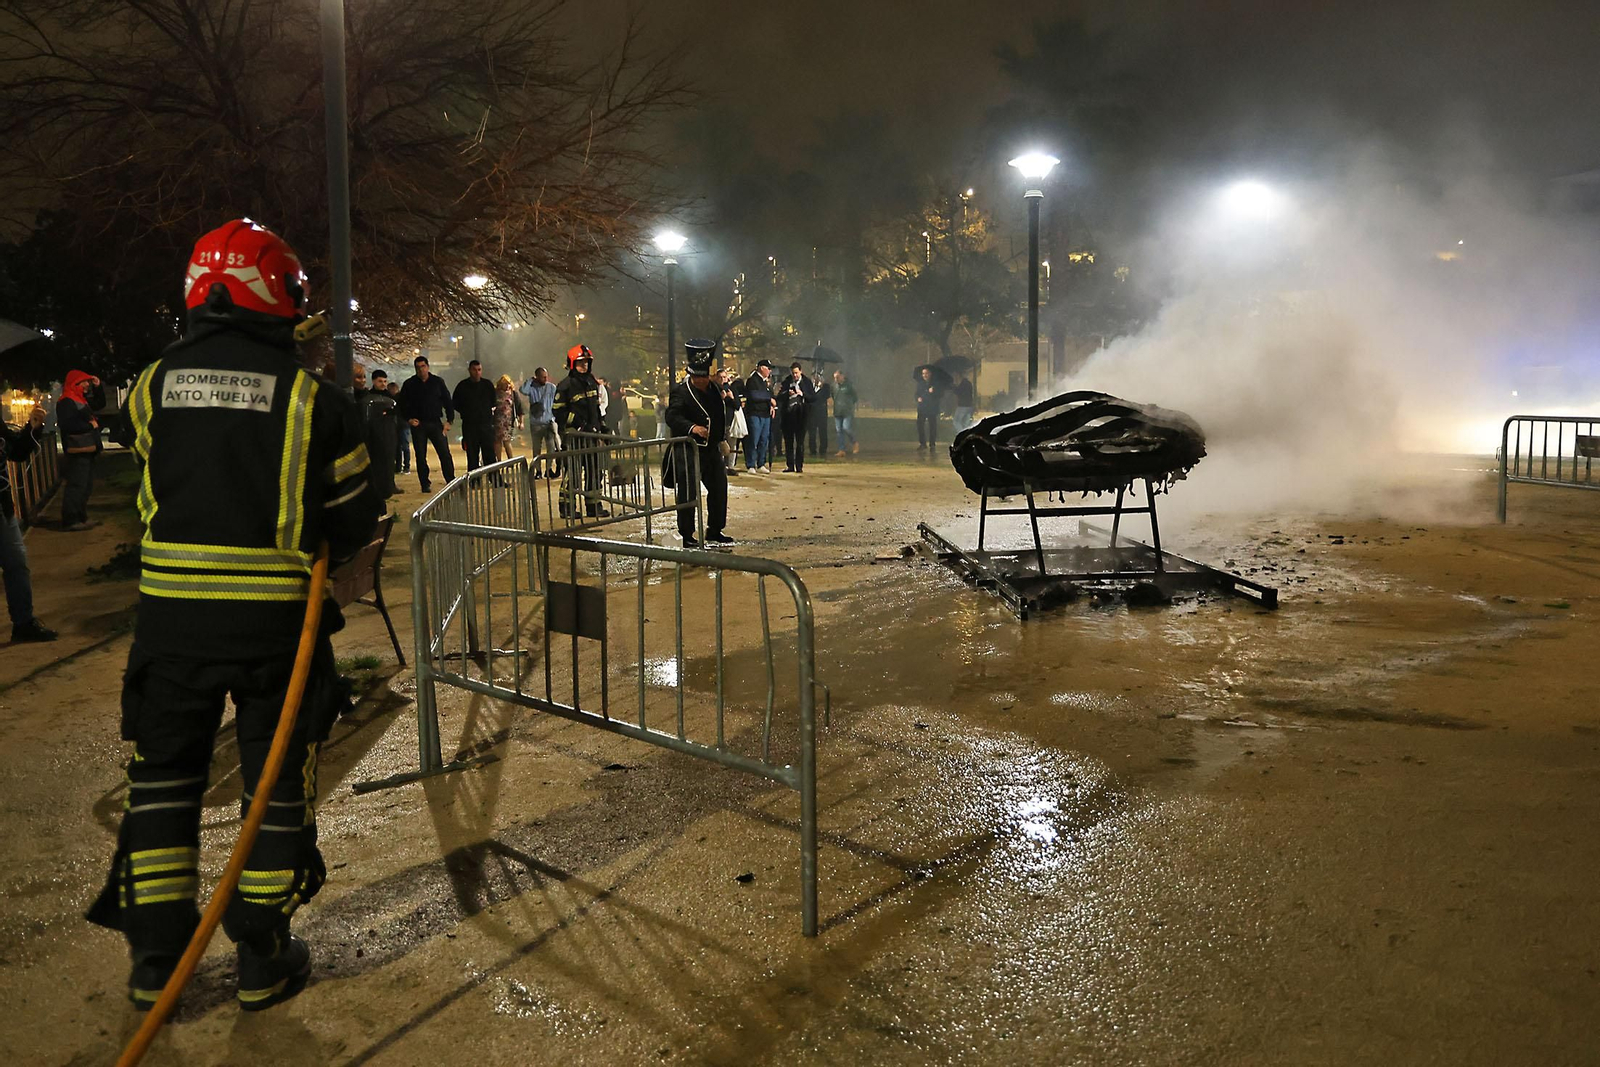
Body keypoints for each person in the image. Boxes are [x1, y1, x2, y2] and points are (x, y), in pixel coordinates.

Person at [86, 218, 380, 1012]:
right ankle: (261, 952)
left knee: (163, 785)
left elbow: (157, 482)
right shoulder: (313, 400)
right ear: (275, 294)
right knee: (275, 788)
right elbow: (356, 517)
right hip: (273, 631)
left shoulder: (149, 385)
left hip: (171, 628)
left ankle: (155, 964)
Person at [664, 339, 734, 548]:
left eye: (704, 376)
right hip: (688, 449)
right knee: (687, 493)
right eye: (698, 376)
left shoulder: (713, 389)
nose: (702, 380)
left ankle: (715, 529)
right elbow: (672, 416)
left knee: (719, 488)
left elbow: (719, 415)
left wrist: (721, 439)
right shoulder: (680, 391)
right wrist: (692, 428)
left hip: (711, 449)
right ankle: (686, 534)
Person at [2, 402, 58, 642]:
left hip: (3, 508)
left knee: (17, 564)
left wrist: (32, 428)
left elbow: (16, 452)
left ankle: (23, 624)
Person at [552, 344, 606, 518]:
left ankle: (593, 506)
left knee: (594, 470)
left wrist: (602, 426)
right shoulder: (565, 386)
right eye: (581, 362)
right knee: (573, 473)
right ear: (572, 363)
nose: (584, 366)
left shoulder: (591, 382)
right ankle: (566, 507)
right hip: (574, 437)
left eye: (587, 362)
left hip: (591, 435)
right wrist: (577, 423)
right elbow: (558, 411)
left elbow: (595, 407)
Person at [57, 369, 105, 530]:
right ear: (75, 383)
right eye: (84, 382)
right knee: (77, 485)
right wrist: (90, 426)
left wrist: (98, 387)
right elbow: (67, 425)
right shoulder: (67, 401)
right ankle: (71, 520)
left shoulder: (79, 399)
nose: (87, 385)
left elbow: (99, 404)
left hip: (87, 448)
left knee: (85, 485)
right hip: (78, 449)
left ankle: (80, 517)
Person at [398, 355, 454, 491]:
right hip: (419, 424)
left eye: (423, 366)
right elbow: (401, 405)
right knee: (420, 456)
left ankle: (451, 480)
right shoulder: (409, 384)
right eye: (418, 367)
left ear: (427, 367)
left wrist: (449, 421)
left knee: (444, 454)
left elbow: (447, 401)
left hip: (435, 422)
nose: (421, 370)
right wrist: (409, 419)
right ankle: (425, 483)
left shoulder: (437, 382)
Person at [358, 369, 399, 498]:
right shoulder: (367, 398)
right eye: (380, 381)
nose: (383, 384)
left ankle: (390, 484)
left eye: (385, 381)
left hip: (389, 431)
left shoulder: (391, 397)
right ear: (374, 381)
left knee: (390, 458)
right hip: (374, 432)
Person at [451, 359, 497, 471]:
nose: (477, 372)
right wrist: (467, 412)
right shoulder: (462, 386)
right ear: (469, 370)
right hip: (470, 426)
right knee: (472, 456)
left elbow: (493, 402)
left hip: (485, 425)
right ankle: (474, 481)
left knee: (490, 454)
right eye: (474, 370)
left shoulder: (487, 385)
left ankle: (495, 479)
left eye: (479, 370)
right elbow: (455, 403)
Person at [775, 362, 815, 473]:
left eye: (796, 373)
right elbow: (779, 396)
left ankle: (799, 466)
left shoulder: (806, 382)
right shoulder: (787, 381)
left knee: (800, 442)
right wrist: (787, 393)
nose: (795, 375)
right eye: (793, 373)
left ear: (801, 371)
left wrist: (802, 394)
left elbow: (812, 398)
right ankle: (790, 465)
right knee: (788, 442)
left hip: (801, 416)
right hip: (788, 416)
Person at [521, 367, 558, 477]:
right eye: (543, 377)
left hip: (549, 422)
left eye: (546, 376)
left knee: (551, 448)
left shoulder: (551, 387)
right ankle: (538, 471)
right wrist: (530, 380)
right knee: (536, 448)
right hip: (536, 422)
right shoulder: (532, 388)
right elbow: (523, 390)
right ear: (536, 377)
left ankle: (549, 469)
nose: (545, 379)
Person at [743, 359, 776, 473]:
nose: (770, 371)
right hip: (755, 414)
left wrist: (771, 406)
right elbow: (754, 396)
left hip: (765, 414)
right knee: (753, 439)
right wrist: (769, 399)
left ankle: (761, 463)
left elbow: (770, 394)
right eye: (768, 368)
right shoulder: (752, 381)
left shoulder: (765, 382)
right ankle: (751, 464)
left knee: (764, 440)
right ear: (762, 368)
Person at [492, 374, 521, 463]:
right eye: (505, 383)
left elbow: (519, 407)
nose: (507, 385)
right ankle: (498, 461)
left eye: (508, 383)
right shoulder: (495, 393)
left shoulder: (513, 393)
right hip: (497, 420)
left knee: (507, 441)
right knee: (497, 441)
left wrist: (521, 421)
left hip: (507, 421)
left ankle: (511, 461)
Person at [720, 368, 743, 473]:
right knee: (720, 445)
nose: (722, 380)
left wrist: (731, 398)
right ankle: (720, 466)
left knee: (732, 444)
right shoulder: (713, 389)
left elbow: (737, 406)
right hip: (719, 422)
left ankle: (731, 466)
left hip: (730, 422)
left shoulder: (731, 389)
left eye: (724, 377)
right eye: (720, 377)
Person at [831, 369, 860, 457]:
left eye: (838, 377)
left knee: (846, 428)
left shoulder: (849, 385)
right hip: (837, 411)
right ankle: (841, 449)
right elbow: (833, 396)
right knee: (839, 431)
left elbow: (855, 397)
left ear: (842, 376)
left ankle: (854, 442)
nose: (836, 380)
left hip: (847, 411)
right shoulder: (834, 386)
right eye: (835, 378)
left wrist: (849, 404)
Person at [915, 366, 944, 451]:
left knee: (932, 426)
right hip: (922, 408)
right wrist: (918, 398)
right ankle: (922, 443)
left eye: (926, 373)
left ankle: (932, 443)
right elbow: (916, 394)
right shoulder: (920, 383)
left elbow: (940, 395)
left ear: (930, 374)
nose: (925, 375)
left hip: (932, 408)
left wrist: (934, 392)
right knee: (920, 425)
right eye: (923, 373)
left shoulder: (935, 383)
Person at [387, 380, 410, 476]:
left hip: (402, 425)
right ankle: (399, 467)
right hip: (398, 425)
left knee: (403, 446)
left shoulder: (399, 399)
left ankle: (405, 466)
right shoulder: (392, 399)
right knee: (398, 447)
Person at [807, 370, 832, 458]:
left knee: (822, 432)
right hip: (812, 413)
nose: (815, 379)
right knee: (812, 433)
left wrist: (821, 386)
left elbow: (827, 396)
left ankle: (823, 449)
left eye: (817, 377)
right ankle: (812, 449)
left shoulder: (825, 387)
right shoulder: (809, 387)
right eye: (813, 377)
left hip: (821, 413)